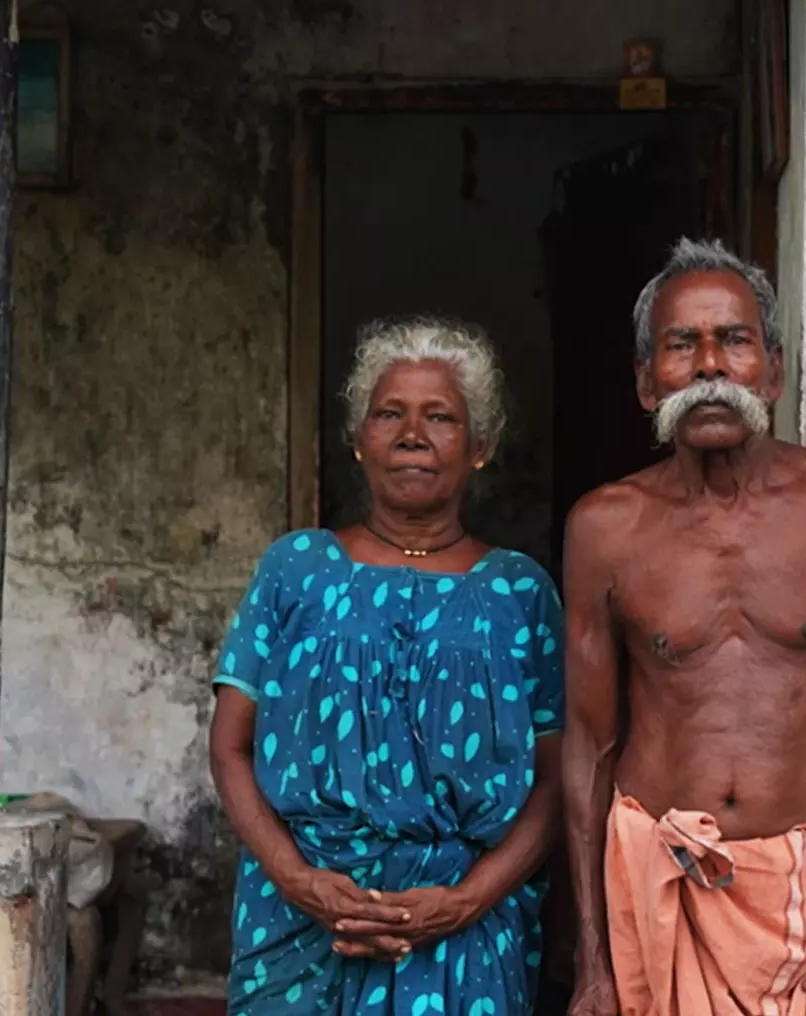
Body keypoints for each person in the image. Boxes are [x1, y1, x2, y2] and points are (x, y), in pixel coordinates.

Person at [561, 238, 806, 1016]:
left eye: (734, 339)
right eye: (680, 344)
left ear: (776, 368)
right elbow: (587, 745)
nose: (710, 367)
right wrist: (590, 957)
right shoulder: (605, 528)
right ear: (643, 380)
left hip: (804, 899)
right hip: (658, 891)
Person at [210, 316, 567, 1016]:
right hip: (299, 922)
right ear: (357, 439)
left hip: (462, 929)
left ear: (480, 448)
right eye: (389, 414)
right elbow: (230, 747)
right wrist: (301, 881)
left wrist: (466, 901)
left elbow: (557, 781)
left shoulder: (519, 592)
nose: (413, 434)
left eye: (441, 417)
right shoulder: (296, 569)